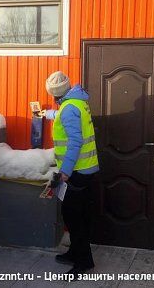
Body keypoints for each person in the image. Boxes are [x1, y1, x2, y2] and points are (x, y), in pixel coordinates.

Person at [43, 71, 99, 277]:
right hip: (85, 168)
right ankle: (75, 253)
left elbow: (75, 141)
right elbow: (65, 116)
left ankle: (83, 262)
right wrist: (48, 115)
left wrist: (65, 172)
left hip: (77, 171)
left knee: (75, 218)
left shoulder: (68, 109)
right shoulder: (77, 102)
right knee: (75, 214)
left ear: (55, 94)